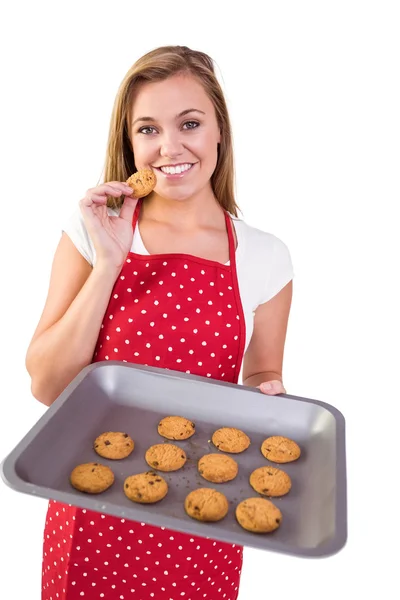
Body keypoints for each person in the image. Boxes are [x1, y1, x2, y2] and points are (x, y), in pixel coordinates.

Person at [26, 45, 293, 600]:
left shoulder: (266, 256)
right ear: (130, 142)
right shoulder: (88, 233)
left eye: (189, 123)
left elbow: (261, 372)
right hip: (91, 518)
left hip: (203, 519)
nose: (170, 147)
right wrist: (109, 261)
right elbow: (47, 386)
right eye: (148, 129)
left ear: (220, 130)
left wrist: (270, 397)